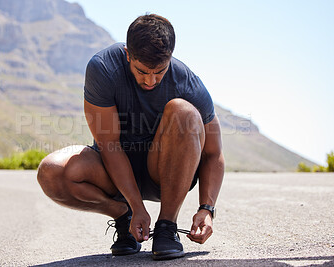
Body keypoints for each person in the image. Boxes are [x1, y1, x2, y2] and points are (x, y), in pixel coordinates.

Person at [37, 14, 224, 261]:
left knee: (185, 112)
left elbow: (213, 153)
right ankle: (122, 216)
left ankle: (166, 226)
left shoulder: (186, 81)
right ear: (128, 54)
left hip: (164, 172)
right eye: (142, 71)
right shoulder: (103, 68)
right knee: (52, 172)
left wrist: (206, 209)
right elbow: (109, 145)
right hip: (114, 168)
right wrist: (135, 207)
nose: (150, 80)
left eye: (159, 72)